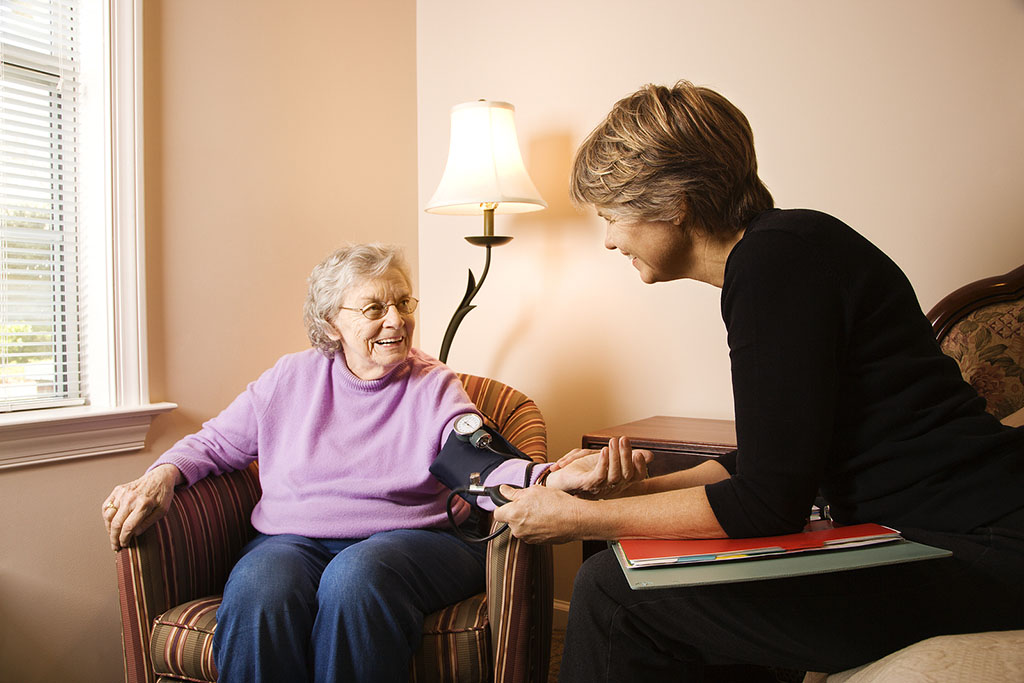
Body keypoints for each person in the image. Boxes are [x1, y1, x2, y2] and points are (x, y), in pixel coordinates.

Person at [492, 81, 1024, 681]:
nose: (610, 238)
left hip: (979, 546)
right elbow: (767, 470)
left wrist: (576, 523)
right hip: (949, 532)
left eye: (613, 215)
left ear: (675, 204)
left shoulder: (777, 264)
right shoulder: (786, 249)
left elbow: (766, 507)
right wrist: (616, 493)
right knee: (653, 576)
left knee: (614, 591)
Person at [101, 243, 632, 683]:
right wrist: (160, 476)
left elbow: (477, 459)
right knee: (262, 587)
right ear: (331, 323)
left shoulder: (431, 385)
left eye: (403, 303)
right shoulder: (289, 380)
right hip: (292, 541)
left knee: (356, 577)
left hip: (415, 542)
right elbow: (214, 444)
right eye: (374, 308)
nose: (397, 321)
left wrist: (552, 477)